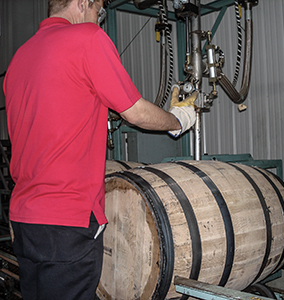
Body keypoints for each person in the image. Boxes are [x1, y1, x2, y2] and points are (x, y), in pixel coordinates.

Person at [3, 0, 197, 299]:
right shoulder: (87, 39)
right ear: (83, 3)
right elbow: (134, 112)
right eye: (98, 11)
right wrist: (177, 120)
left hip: (25, 219)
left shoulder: (21, 57)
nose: (99, 21)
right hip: (67, 219)